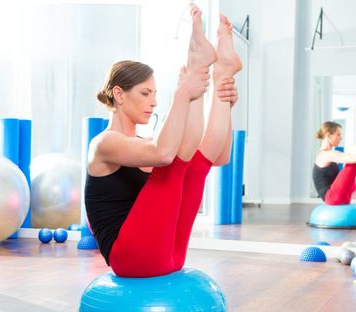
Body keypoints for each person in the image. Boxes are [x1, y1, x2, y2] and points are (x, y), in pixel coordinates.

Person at [85, 4, 242, 278]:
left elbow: (219, 156)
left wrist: (223, 97)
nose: (154, 102)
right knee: (173, 162)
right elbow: (164, 154)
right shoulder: (104, 144)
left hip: (168, 255)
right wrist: (184, 93)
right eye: (145, 93)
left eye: (156, 93)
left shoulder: (143, 144)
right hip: (130, 259)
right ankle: (199, 63)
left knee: (193, 164)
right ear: (119, 94)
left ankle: (221, 71)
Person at [312, 105, 356, 205]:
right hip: (331, 198)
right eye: (338, 134)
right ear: (328, 135)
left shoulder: (328, 154)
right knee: (352, 162)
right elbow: (355, 158)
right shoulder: (325, 155)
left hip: (335, 194)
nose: (341, 138)